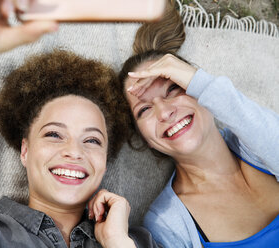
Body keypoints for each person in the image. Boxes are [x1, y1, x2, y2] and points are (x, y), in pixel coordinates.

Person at [0, 1, 158, 247]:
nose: (74, 151)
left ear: (105, 159)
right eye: (54, 134)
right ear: (25, 150)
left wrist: (117, 242)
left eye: (92, 140)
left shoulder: (137, 240)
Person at [119, 1, 279, 247]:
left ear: (202, 90)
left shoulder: (257, 141)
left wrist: (200, 83)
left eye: (174, 89)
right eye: (144, 109)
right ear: (145, 139)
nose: (164, 111)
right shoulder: (166, 222)